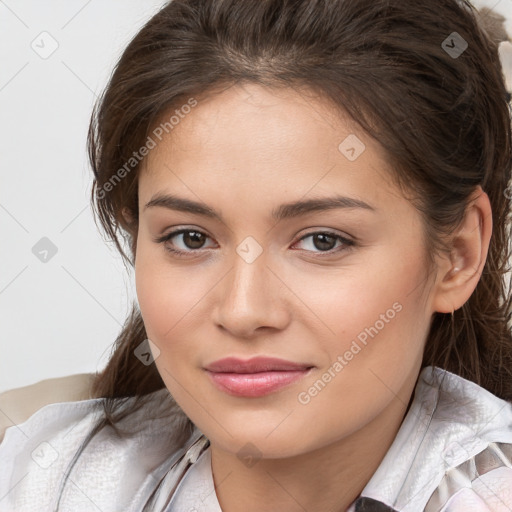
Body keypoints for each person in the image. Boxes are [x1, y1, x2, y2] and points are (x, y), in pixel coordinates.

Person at [1, 0, 512, 510]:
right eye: (190, 238)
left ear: (459, 254)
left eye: (322, 240)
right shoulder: (41, 479)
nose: (243, 311)